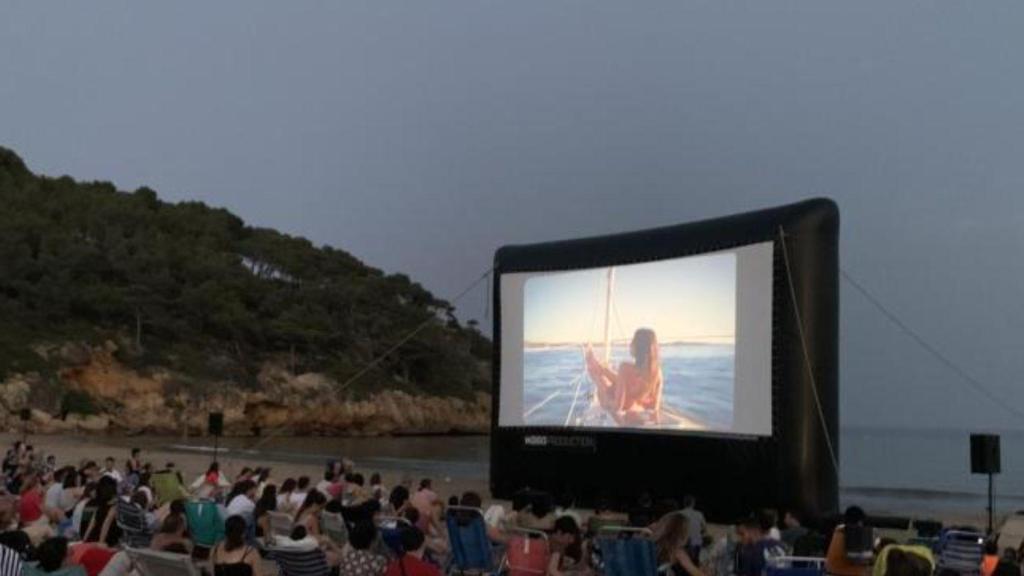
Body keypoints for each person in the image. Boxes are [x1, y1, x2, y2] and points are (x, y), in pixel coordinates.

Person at [585, 328, 663, 424]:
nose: (630, 344)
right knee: (609, 376)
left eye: (633, 341)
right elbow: (654, 408)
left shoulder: (625, 367)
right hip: (635, 405)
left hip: (616, 401)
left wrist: (598, 382)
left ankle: (596, 367)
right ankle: (601, 368)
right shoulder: (657, 373)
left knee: (600, 380)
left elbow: (617, 407)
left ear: (639, 348)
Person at [825, 506, 872, 576]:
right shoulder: (852, 532)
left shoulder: (838, 531)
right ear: (859, 521)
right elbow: (854, 558)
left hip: (832, 571)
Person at [679, 495, 706, 562]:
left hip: (683, 543)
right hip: (696, 544)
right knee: (694, 563)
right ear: (693, 503)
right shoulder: (699, 514)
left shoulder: (679, 513)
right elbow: (704, 529)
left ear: (684, 503)